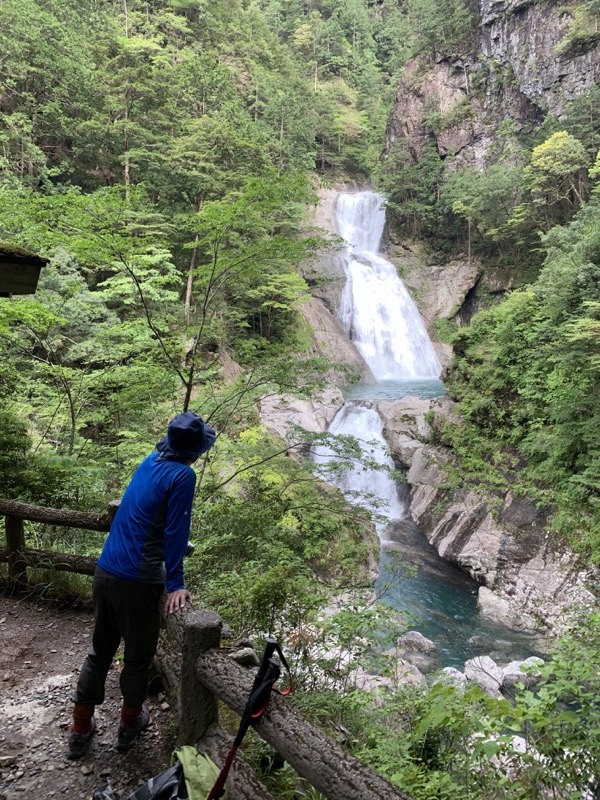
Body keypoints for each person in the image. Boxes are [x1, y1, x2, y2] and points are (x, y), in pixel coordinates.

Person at [67, 411, 216, 760]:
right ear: (194, 451)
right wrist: (176, 583)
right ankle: (130, 725)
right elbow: (175, 532)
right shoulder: (183, 475)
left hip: (106, 570)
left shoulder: (150, 460)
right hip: (138, 580)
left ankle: (79, 728)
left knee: (99, 651)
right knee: (137, 659)